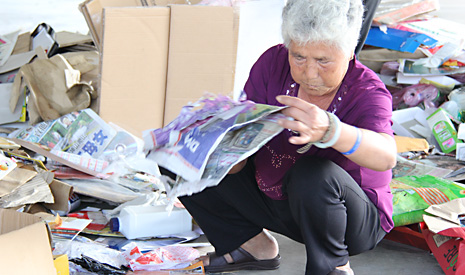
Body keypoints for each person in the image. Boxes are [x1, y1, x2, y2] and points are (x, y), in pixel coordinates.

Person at [178, 0, 397, 274]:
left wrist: (333, 131)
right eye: (299, 57)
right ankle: (249, 245)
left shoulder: (367, 92)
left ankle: (333, 265)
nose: (309, 73)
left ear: (350, 53)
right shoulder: (273, 63)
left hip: (348, 221)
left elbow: (387, 157)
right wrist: (226, 156)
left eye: (323, 60)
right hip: (279, 200)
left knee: (313, 174)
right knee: (186, 149)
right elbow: (246, 134)